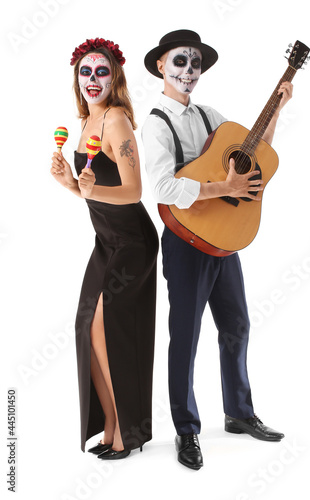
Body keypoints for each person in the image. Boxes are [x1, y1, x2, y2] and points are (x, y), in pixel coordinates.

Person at [142, 29, 292, 470]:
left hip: (224, 239)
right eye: (180, 62)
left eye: (196, 64)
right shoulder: (155, 123)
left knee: (237, 325)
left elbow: (256, 152)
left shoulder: (212, 117)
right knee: (185, 338)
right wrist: (223, 186)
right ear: (160, 67)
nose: (189, 71)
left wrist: (278, 109)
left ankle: (238, 413)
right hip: (185, 244)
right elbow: (164, 188)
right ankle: (186, 431)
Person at [50, 38, 158, 460]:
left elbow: (132, 192)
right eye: (85, 72)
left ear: (115, 76)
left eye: (101, 71)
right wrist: (69, 185)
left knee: (104, 329)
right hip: (106, 240)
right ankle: (112, 423)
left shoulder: (116, 122)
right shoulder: (84, 121)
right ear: (76, 78)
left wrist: (87, 188)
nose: (92, 79)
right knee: (86, 329)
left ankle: (126, 431)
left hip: (133, 242)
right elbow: (94, 193)